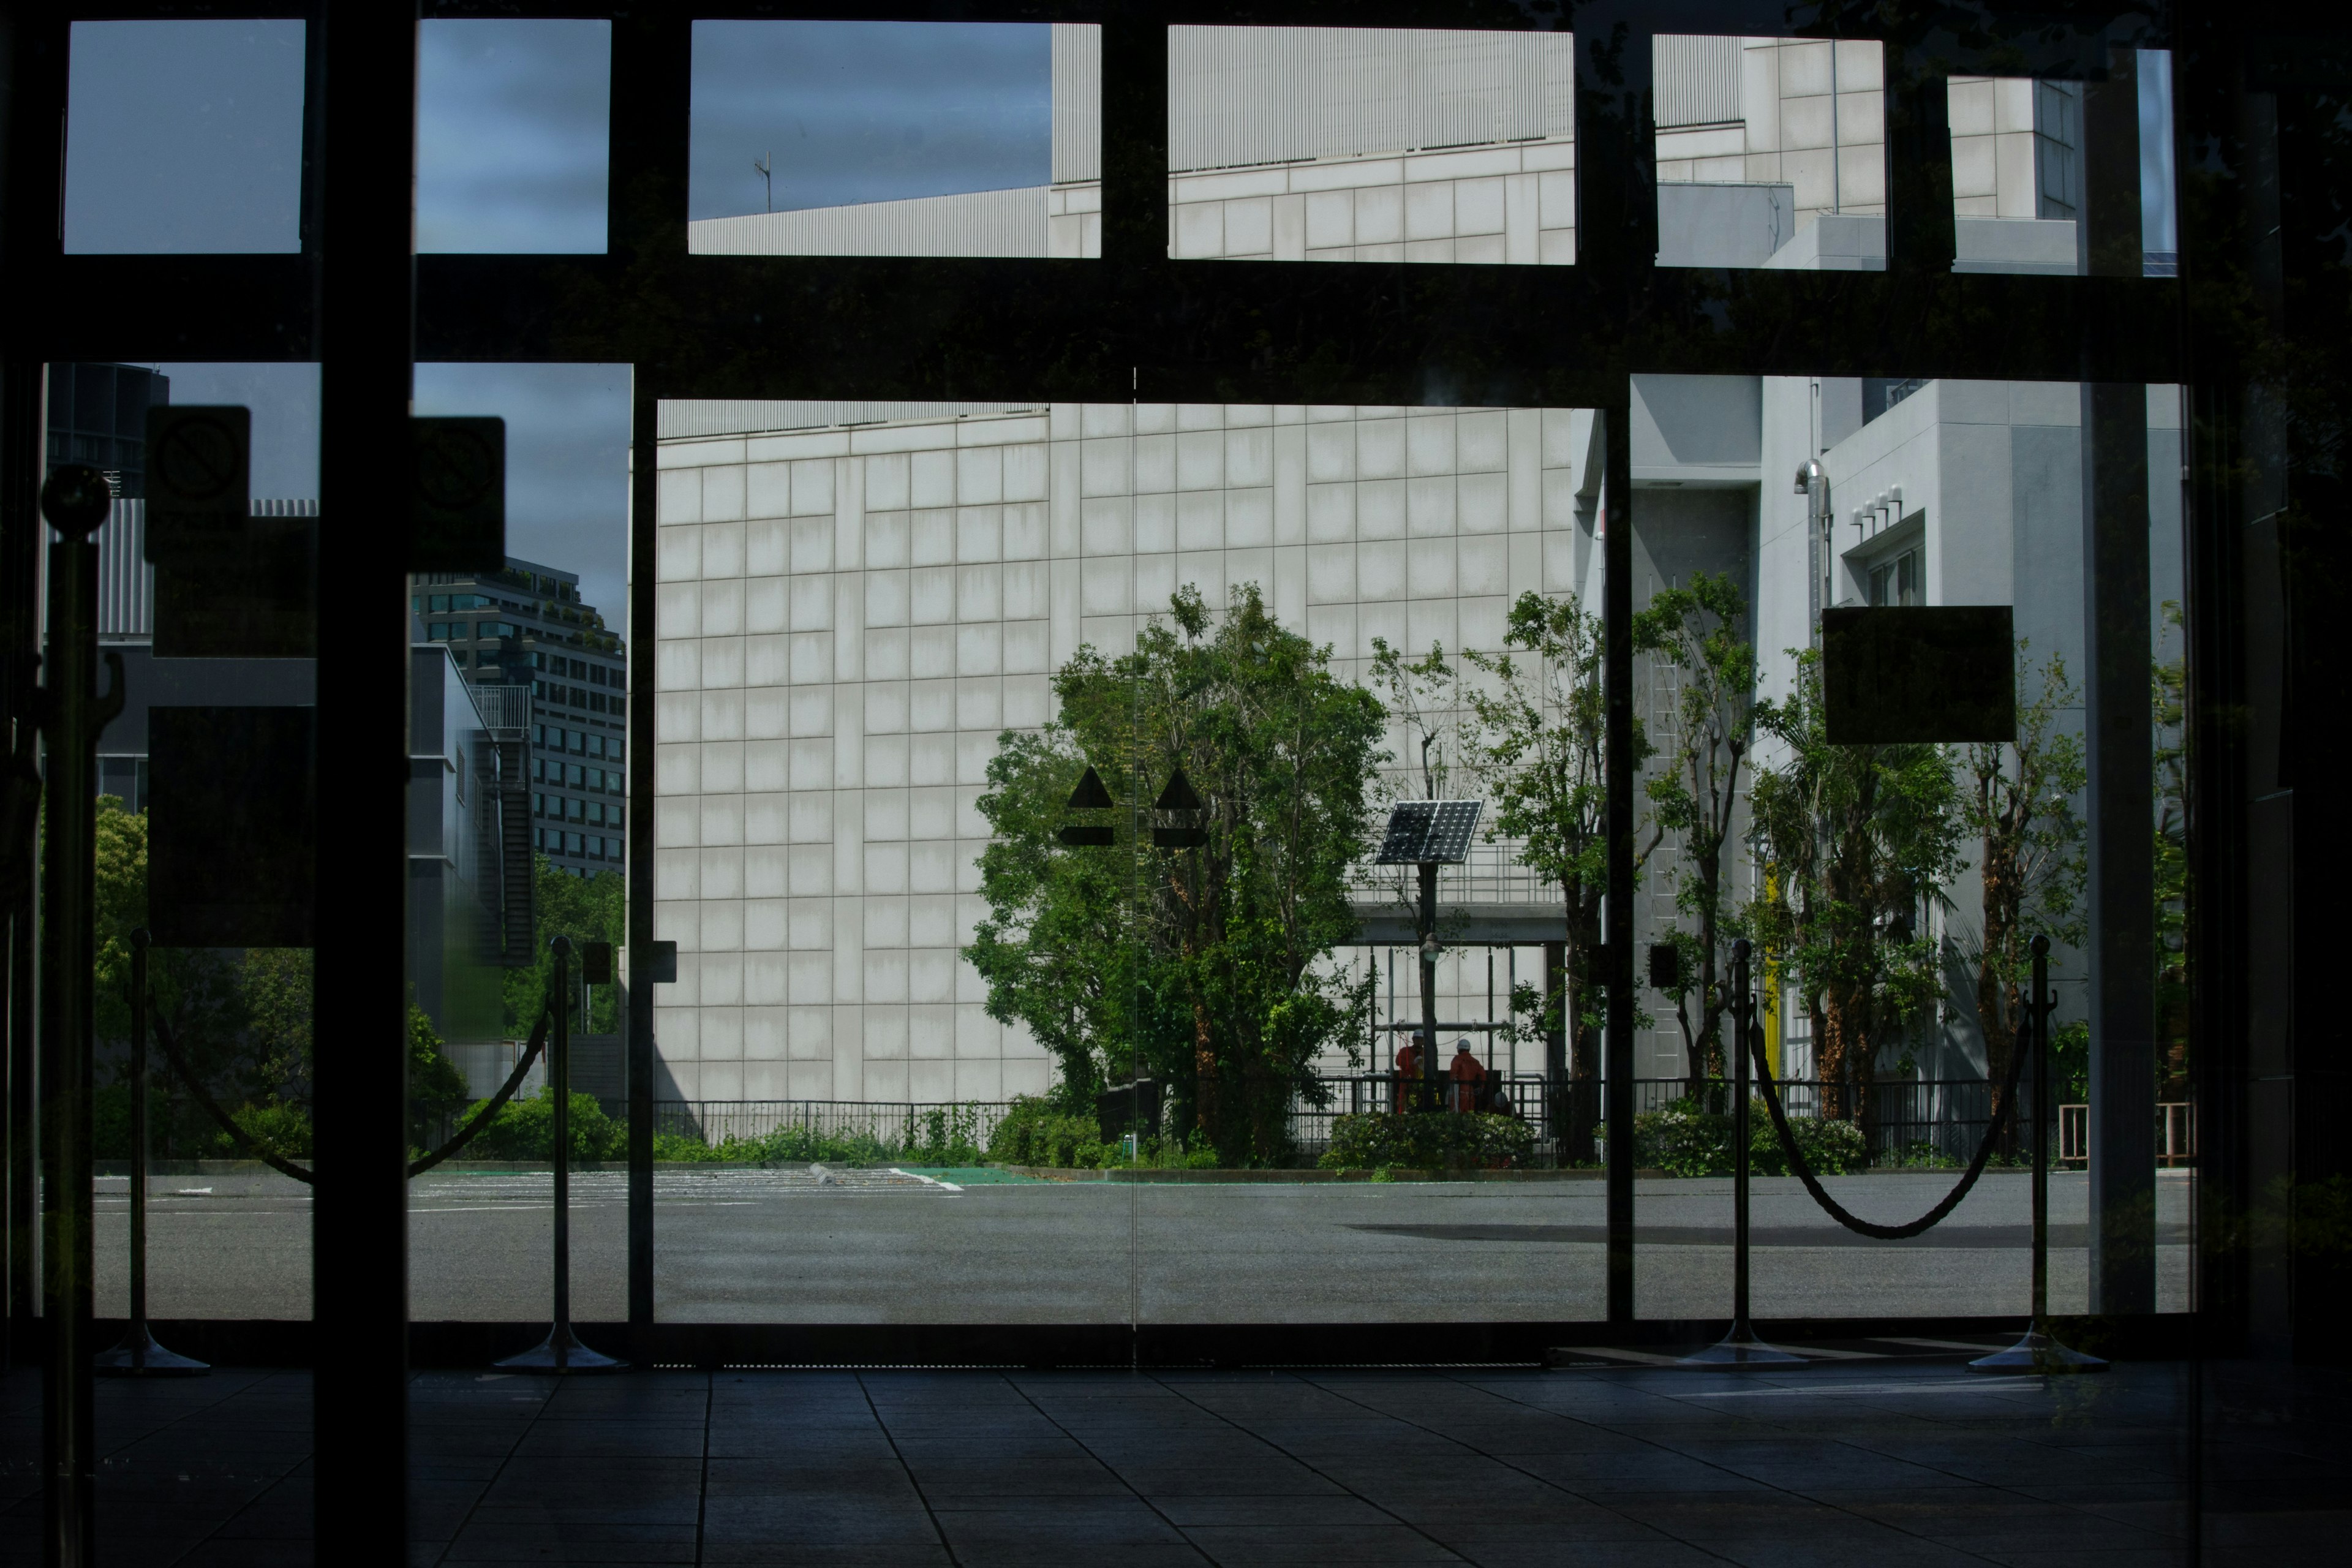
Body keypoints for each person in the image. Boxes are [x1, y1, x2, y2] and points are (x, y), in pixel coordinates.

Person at [1450, 1039, 1485, 1113]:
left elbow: (1453, 1074)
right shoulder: (1475, 1062)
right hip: (1471, 1091)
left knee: (1456, 1113)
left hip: (1460, 1091)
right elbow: (1483, 1075)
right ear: (1469, 1049)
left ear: (1459, 1049)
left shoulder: (1457, 1059)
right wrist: (1481, 1088)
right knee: (1469, 1114)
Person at [1392, 1037, 1422, 1112]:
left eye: (1421, 1039)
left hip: (1421, 1081)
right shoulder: (1405, 1051)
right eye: (1418, 1039)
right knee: (1403, 1099)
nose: (1419, 1041)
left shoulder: (1426, 1052)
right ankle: (1402, 1115)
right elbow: (1398, 1061)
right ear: (1413, 1040)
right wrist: (1412, 1063)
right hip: (1406, 1080)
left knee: (1420, 1099)